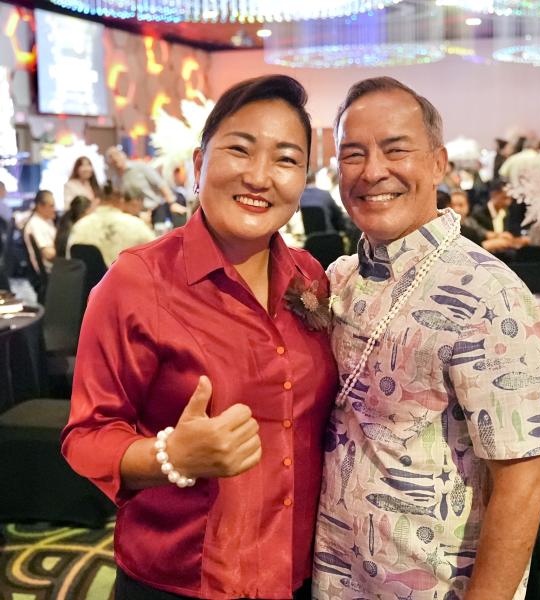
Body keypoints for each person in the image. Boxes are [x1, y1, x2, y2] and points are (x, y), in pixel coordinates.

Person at [62, 75, 338, 599]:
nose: (259, 176)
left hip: (300, 573)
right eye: (239, 149)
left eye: (285, 159)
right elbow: (87, 436)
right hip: (186, 580)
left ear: (302, 179)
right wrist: (171, 457)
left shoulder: (310, 278)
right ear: (198, 164)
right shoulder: (137, 283)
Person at [314, 77, 540, 600]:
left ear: (438, 163)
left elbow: (525, 483)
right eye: (353, 154)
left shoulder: (491, 296)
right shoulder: (340, 279)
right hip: (335, 578)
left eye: (395, 149)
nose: (372, 171)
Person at [67, 186, 155, 267]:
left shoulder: (79, 226)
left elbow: (70, 258)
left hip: (89, 279)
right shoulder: (136, 224)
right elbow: (155, 254)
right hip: (125, 277)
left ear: (98, 201)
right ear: (121, 200)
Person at [105, 145, 187, 217]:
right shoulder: (116, 180)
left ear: (123, 155)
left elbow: (160, 183)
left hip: (156, 209)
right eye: (111, 157)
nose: (115, 158)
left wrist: (172, 203)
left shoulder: (139, 166)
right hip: (137, 214)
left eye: (116, 154)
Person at [23, 189, 57, 273]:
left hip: (55, 265)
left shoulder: (47, 220)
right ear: (40, 206)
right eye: (52, 206)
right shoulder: (36, 225)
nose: (54, 209)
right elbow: (48, 254)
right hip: (49, 270)